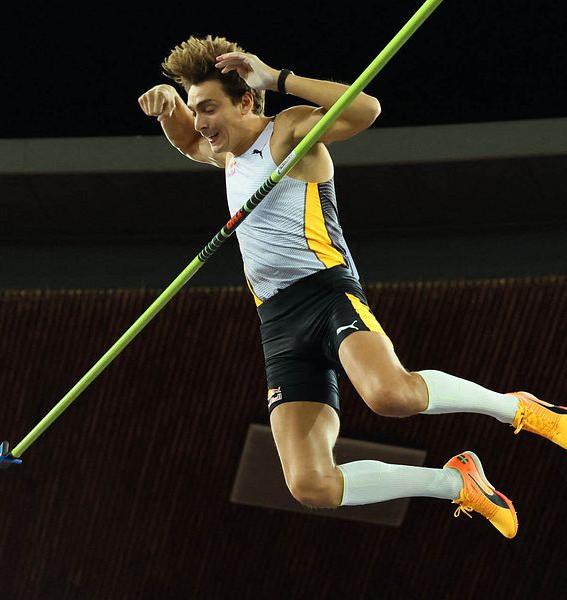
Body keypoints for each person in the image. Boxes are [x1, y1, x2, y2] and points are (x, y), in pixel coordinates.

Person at [138, 34, 566, 539]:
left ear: (247, 101)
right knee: (310, 484)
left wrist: (277, 77)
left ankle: (520, 409)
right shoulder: (226, 155)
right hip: (278, 325)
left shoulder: (287, 132)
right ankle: (458, 484)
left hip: (326, 294)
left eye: (208, 108)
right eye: (196, 110)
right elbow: (189, 141)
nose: (201, 122)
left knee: (390, 394)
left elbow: (366, 109)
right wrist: (170, 108)